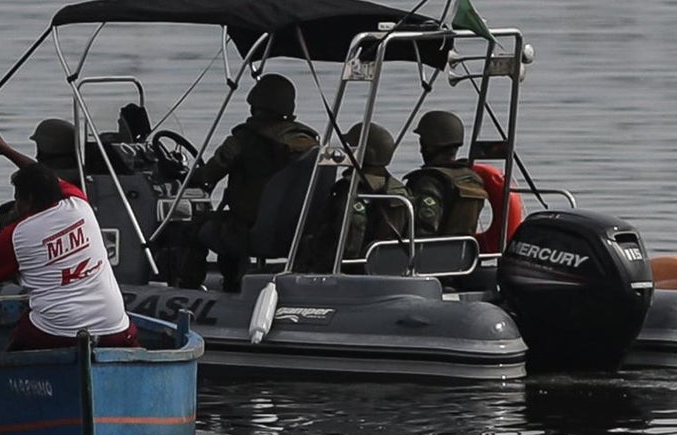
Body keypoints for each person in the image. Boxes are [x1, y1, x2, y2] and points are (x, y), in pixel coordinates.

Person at [0, 162, 138, 351]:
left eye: (17, 200)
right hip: (115, 327)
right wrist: (3, 148)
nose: (16, 206)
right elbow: (47, 176)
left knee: (19, 339)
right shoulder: (79, 204)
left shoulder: (15, 235)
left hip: (57, 333)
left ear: (28, 200)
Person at [179, 73, 318, 292]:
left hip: (250, 232)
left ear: (254, 104)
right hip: (299, 234)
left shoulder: (243, 139)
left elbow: (207, 176)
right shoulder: (309, 143)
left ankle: (189, 291)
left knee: (193, 227)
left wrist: (185, 175)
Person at [303, 122, 411, 272]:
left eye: (351, 148)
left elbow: (350, 245)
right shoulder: (399, 190)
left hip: (352, 272)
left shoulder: (352, 190)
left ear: (362, 153)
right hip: (391, 269)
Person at [404, 110, 487, 237]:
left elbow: (423, 233)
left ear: (431, 145)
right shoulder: (472, 179)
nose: (421, 150)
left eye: (423, 143)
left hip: (431, 254)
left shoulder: (429, 182)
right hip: (462, 254)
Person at [0, 117, 80, 227]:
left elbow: (41, 174)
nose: (36, 155)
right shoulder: (82, 175)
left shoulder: (59, 181)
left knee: (5, 212)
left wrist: (6, 151)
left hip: (52, 224)